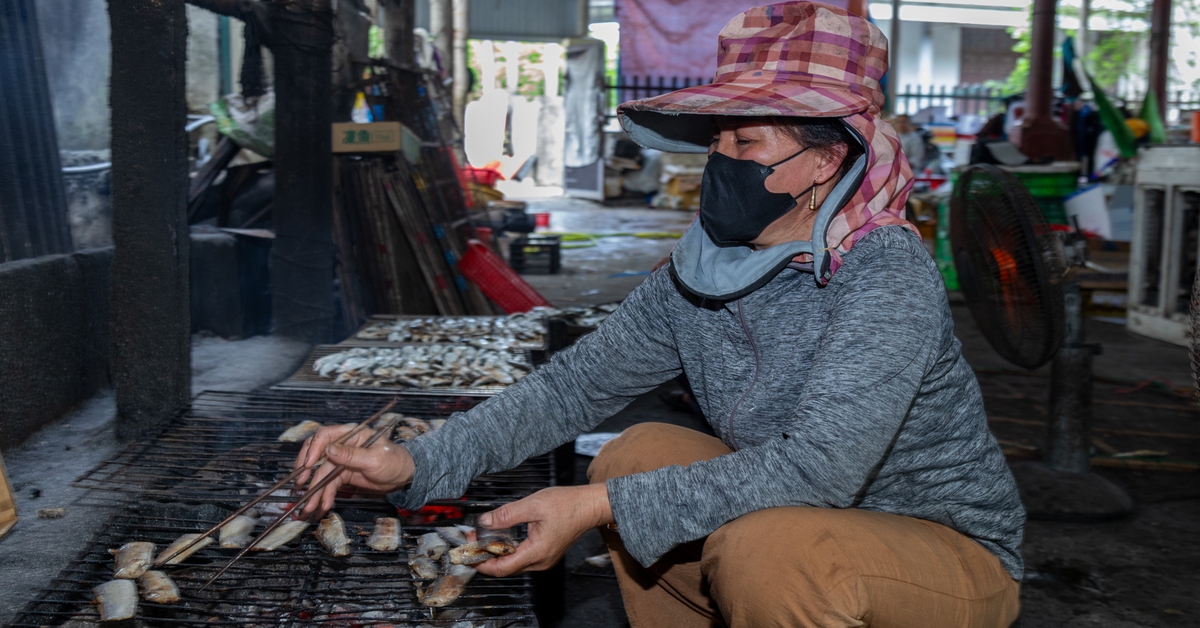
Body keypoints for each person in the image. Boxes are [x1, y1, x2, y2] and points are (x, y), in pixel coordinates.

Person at [295, 3, 1024, 626]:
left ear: (826, 162)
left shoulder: (883, 272)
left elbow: (818, 471)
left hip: (936, 546)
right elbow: (569, 389)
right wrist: (416, 462)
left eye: (746, 143)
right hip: (799, 513)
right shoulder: (705, 265)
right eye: (716, 142)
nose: (720, 161)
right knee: (636, 451)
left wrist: (593, 507)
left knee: (767, 550)